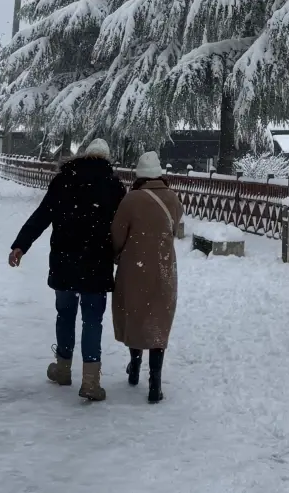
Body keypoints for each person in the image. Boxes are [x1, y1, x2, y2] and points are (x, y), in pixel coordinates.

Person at [8, 139, 126, 402]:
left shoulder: (64, 180)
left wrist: (20, 245)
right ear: (107, 160)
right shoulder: (114, 186)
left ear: (84, 156)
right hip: (97, 264)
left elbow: (41, 215)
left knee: (65, 314)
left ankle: (62, 368)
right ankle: (91, 382)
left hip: (65, 261)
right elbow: (123, 227)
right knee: (92, 320)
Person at [111, 151, 183, 403]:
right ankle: (156, 382)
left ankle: (134, 365)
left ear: (139, 176)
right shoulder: (173, 198)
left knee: (137, 315)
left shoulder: (131, 200)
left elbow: (117, 236)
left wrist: (119, 253)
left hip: (135, 269)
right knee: (158, 322)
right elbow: (174, 226)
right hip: (164, 269)